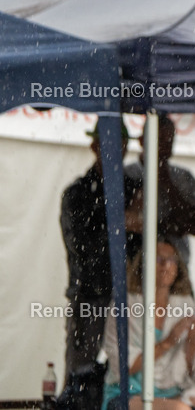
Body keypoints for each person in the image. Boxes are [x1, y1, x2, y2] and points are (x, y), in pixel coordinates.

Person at [100, 240, 195, 410]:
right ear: (144, 265)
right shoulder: (124, 305)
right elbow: (121, 367)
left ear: (178, 269)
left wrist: (192, 339)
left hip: (171, 392)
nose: (166, 265)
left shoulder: (185, 304)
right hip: (128, 393)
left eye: (172, 260)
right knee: (179, 409)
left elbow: (192, 371)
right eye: (159, 259)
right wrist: (168, 341)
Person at [59, 121, 132, 409]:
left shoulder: (133, 187)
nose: (115, 151)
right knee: (80, 373)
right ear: (94, 146)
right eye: (108, 144)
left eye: (120, 144)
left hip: (127, 298)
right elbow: (82, 250)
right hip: (89, 297)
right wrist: (122, 224)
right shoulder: (77, 193)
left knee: (125, 372)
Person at [123, 114, 195, 263]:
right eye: (159, 141)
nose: (164, 149)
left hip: (175, 267)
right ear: (142, 141)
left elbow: (194, 225)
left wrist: (167, 183)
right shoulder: (127, 175)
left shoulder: (182, 177)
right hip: (135, 264)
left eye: (169, 142)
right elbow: (126, 221)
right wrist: (166, 225)